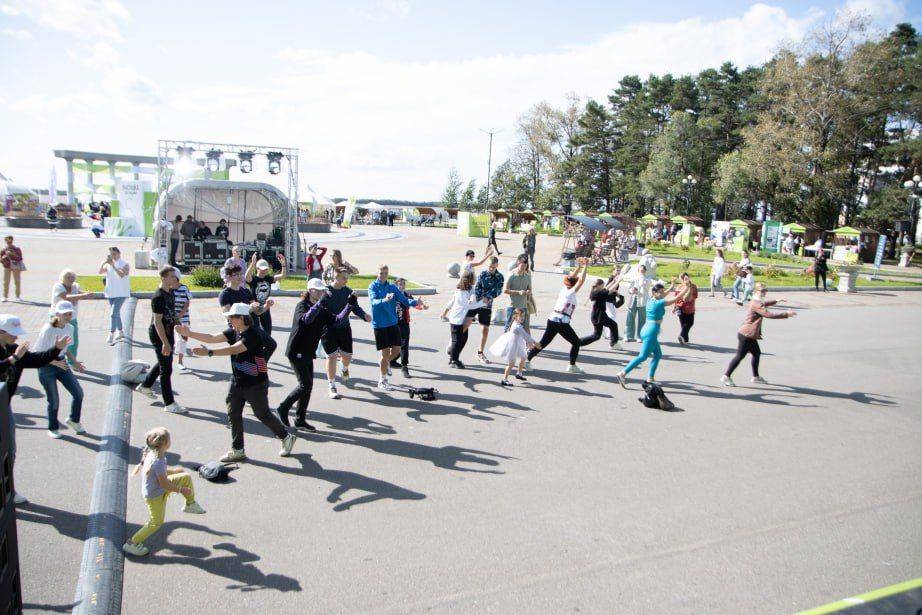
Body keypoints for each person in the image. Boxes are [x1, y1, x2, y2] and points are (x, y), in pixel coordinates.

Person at [179, 303, 297, 461]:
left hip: (255, 384)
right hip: (237, 382)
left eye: (231, 317)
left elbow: (234, 349)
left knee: (263, 414)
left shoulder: (253, 334)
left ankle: (286, 437)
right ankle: (238, 449)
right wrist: (190, 333)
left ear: (241, 318)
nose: (228, 320)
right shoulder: (234, 331)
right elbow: (212, 338)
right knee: (233, 412)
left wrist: (209, 353)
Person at [0, 314, 70, 504]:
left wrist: (56, 348)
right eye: (13, 334)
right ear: (1, 332)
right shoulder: (14, 353)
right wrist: (13, 358)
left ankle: (8, 491)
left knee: (9, 451)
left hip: (4, 406)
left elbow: (37, 360)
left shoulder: (14, 349)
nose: (16, 338)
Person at [276, 278, 356, 428]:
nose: (321, 293)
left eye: (322, 290)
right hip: (296, 351)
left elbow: (337, 320)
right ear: (310, 290)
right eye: (318, 290)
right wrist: (319, 304)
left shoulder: (322, 309)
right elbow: (306, 320)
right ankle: (283, 408)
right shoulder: (302, 306)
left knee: (308, 386)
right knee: (304, 385)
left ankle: (300, 419)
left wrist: (349, 305)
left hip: (308, 352)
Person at [122, 427, 205, 557]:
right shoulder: (158, 461)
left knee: (185, 477)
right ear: (165, 444)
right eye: (170, 439)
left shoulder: (154, 454)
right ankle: (131, 543)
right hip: (155, 495)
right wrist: (181, 489)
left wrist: (174, 471)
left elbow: (160, 474)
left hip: (157, 488)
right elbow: (165, 484)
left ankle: (190, 504)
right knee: (156, 522)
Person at [721, 283, 796, 386]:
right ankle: (726, 376)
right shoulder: (756, 303)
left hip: (749, 334)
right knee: (739, 356)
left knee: (756, 353)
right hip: (747, 334)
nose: (765, 292)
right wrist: (786, 314)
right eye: (763, 291)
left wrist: (776, 300)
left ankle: (755, 377)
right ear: (756, 291)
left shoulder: (756, 300)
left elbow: (763, 304)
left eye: (766, 290)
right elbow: (768, 314)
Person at [526, 257, 590, 374]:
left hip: (554, 320)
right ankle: (572, 366)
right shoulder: (571, 292)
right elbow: (581, 280)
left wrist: (579, 267)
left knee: (544, 343)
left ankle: (527, 360)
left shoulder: (564, 289)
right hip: (561, 322)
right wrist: (585, 265)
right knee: (576, 342)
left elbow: (573, 278)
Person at [135, 266, 185, 413]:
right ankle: (169, 403)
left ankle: (145, 385)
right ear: (163, 278)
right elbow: (157, 322)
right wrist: (165, 342)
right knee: (166, 368)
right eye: (172, 276)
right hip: (159, 334)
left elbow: (172, 312)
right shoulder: (158, 297)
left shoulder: (170, 292)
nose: (175, 279)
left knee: (164, 361)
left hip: (168, 332)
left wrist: (180, 326)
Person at [369, 264, 426, 387]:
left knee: (397, 349)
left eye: (385, 273)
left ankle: (386, 364)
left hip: (392, 323)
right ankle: (382, 380)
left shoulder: (392, 287)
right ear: (377, 274)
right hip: (380, 324)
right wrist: (384, 299)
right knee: (385, 354)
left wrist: (416, 302)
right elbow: (373, 302)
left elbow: (404, 300)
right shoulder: (372, 286)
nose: (383, 275)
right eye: (381, 273)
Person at [34, 301, 85, 438]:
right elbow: (37, 353)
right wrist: (55, 362)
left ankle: (74, 420)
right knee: (54, 400)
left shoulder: (70, 328)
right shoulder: (48, 329)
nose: (68, 316)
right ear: (57, 314)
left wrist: (75, 362)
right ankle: (53, 428)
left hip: (62, 363)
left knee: (78, 393)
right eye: (65, 314)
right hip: (46, 366)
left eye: (70, 314)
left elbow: (66, 349)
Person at [615, 279, 679, 388]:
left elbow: (663, 295)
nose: (663, 293)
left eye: (663, 291)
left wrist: (672, 285)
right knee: (642, 356)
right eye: (660, 292)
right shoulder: (659, 302)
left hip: (647, 329)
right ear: (654, 293)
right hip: (651, 332)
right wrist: (686, 288)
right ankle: (622, 373)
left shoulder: (651, 300)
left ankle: (650, 378)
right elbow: (675, 299)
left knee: (658, 355)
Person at [321, 268, 371, 399]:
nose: (346, 280)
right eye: (344, 278)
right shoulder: (325, 291)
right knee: (331, 357)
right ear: (336, 277)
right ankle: (332, 385)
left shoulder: (348, 291)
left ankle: (344, 367)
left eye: (347, 278)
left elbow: (355, 307)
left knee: (347, 356)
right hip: (328, 329)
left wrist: (364, 315)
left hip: (344, 328)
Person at [51, 269, 92, 366]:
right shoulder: (58, 286)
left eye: (72, 277)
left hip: (71, 318)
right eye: (67, 277)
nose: (70, 279)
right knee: (55, 339)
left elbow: (79, 293)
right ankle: (55, 361)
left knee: (73, 341)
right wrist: (81, 296)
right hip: (57, 317)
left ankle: (73, 363)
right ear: (62, 278)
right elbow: (66, 296)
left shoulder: (75, 286)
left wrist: (86, 294)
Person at [439, 247, 493, 320]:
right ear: (466, 256)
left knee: (473, 299)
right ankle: (443, 315)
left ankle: (470, 316)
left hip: (469, 286)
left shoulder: (467, 262)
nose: (472, 257)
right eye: (470, 256)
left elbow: (480, 261)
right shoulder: (468, 264)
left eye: (473, 256)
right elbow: (480, 262)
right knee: (455, 300)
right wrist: (488, 255)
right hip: (463, 286)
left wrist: (486, 252)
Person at [489, 308, 539, 386]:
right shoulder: (518, 326)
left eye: (524, 316)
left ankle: (519, 373)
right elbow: (526, 336)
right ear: (515, 317)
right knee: (511, 364)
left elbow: (525, 337)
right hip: (512, 346)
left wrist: (529, 343)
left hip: (517, 344)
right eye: (520, 316)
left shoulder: (515, 323)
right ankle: (504, 379)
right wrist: (535, 343)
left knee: (523, 357)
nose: (523, 318)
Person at [445, 272, 481, 369]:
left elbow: (473, 295)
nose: (475, 280)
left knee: (463, 339)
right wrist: (482, 303)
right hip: (456, 319)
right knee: (457, 341)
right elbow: (468, 305)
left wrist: (473, 298)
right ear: (469, 280)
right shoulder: (461, 292)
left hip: (461, 319)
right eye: (474, 278)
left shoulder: (470, 288)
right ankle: (453, 359)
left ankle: (453, 356)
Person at [473, 257, 504, 365]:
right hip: (476, 303)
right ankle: (454, 345)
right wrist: (481, 297)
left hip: (487, 305)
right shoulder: (482, 274)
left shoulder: (500, 277)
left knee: (485, 329)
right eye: (490, 266)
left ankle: (480, 352)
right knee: (465, 324)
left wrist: (487, 297)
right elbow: (477, 287)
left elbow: (498, 291)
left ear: (497, 266)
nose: (491, 269)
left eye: (493, 267)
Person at [579, 274, 622, 349]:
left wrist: (614, 281)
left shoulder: (597, 291)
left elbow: (606, 288)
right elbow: (609, 290)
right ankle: (579, 342)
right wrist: (618, 281)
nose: (604, 286)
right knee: (596, 336)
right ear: (599, 285)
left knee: (613, 325)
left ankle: (613, 344)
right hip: (598, 317)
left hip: (601, 315)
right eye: (603, 285)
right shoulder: (597, 293)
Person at [245, 254, 286, 333]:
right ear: (257, 269)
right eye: (262, 269)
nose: (264, 271)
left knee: (267, 330)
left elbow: (283, 276)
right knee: (254, 331)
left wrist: (283, 265)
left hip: (265, 306)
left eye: (266, 269)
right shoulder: (253, 279)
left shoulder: (268, 278)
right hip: (254, 308)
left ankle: (266, 344)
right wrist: (252, 264)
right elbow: (246, 276)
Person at [99, 246, 130, 344]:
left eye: (114, 254)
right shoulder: (108, 264)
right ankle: (120, 331)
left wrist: (113, 266)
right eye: (111, 254)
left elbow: (121, 275)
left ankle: (111, 333)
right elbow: (100, 272)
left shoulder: (125, 264)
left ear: (119, 253)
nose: (113, 256)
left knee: (113, 313)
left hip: (121, 293)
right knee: (116, 313)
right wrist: (104, 262)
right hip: (110, 292)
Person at [389, 277, 416, 378]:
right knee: (398, 345)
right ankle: (395, 362)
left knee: (404, 344)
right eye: (399, 284)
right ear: (395, 285)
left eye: (403, 284)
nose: (401, 286)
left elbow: (414, 303)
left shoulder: (406, 295)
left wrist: (422, 306)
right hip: (394, 324)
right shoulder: (392, 296)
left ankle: (402, 365)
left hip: (404, 323)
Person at [503, 256, 533, 334]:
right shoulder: (511, 275)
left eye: (525, 266)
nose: (524, 268)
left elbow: (530, 289)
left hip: (523, 306)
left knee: (524, 327)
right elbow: (505, 290)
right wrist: (518, 292)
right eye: (522, 265)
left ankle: (526, 346)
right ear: (518, 263)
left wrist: (527, 292)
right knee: (509, 327)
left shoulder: (527, 276)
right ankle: (505, 344)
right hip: (513, 306)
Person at [624, 264, 651, 342]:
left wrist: (642, 278)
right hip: (633, 300)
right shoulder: (634, 279)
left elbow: (645, 285)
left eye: (643, 271)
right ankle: (628, 335)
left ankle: (640, 336)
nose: (641, 272)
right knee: (630, 317)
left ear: (645, 271)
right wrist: (632, 290)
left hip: (643, 301)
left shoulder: (647, 279)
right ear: (638, 271)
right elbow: (629, 290)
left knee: (642, 319)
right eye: (640, 271)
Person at [173, 270, 193, 374]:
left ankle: (180, 361)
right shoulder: (167, 289)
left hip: (183, 318)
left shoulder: (184, 288)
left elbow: (187, 303)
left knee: (183, 339)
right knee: (173, 339)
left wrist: (179, 316)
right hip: (170, 318)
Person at [673, 272, 698, 345]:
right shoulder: (692, 286)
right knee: (689, 323)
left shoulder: (681, 287)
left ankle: (685, 339)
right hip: (687, 308)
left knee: (684, 324)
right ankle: (682, 336)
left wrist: (675, 306)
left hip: (682, 307)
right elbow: (689, 298)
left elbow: (677, 298)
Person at [1, 235, 24, 302]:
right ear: (6, 242)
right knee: (6, 282)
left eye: (10, 241)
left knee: (17, 281)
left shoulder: (17, 249)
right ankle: (5, 296)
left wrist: (13, 254)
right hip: (7, 267)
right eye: (7, 242)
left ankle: (18, 296)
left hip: (16, 267)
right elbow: (1, 259)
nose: (9, 243)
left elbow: (20, 258)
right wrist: (4, 257)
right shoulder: (4, 249)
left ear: (12, 241)